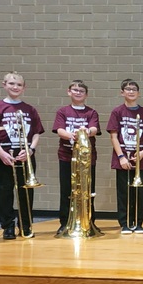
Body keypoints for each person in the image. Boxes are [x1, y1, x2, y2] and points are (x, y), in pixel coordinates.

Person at [0, 72, 45, 240]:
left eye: (18, 85)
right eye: (11, 83)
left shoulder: (29, 109)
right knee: (5, 191)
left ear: (24, 88)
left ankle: (26, 225)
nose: (15, 87)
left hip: (25, 154)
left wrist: (31, 149)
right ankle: (8, 226)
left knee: (26, 191)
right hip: (5, 153)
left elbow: (36, 133)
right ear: (4, 85)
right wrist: (0, 152)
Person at [53, 80, 101, 235]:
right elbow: (59, 129)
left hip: (87, 159)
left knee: (88, 190)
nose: (78, 92)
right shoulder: (63, 111)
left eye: (81, 90)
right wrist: (72, 135)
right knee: (67, 190)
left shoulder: (91, 112)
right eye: (75, 90)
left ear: (86, 94)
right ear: (69, 92)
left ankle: (89, 222)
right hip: (67, 156)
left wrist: (85, 132)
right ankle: (65, 223)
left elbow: (94, 128)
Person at [107, 79, 143, 234]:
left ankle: (138, 222)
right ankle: (125, 223)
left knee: (139, 193)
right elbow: (114, 136)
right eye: (127, 89)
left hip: (141, 158)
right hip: (123, 158)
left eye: (134, 89)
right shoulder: (117, 112)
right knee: (123, 192)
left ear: (138, 93)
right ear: (122, 92)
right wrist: (121, 157)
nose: (131, 91)